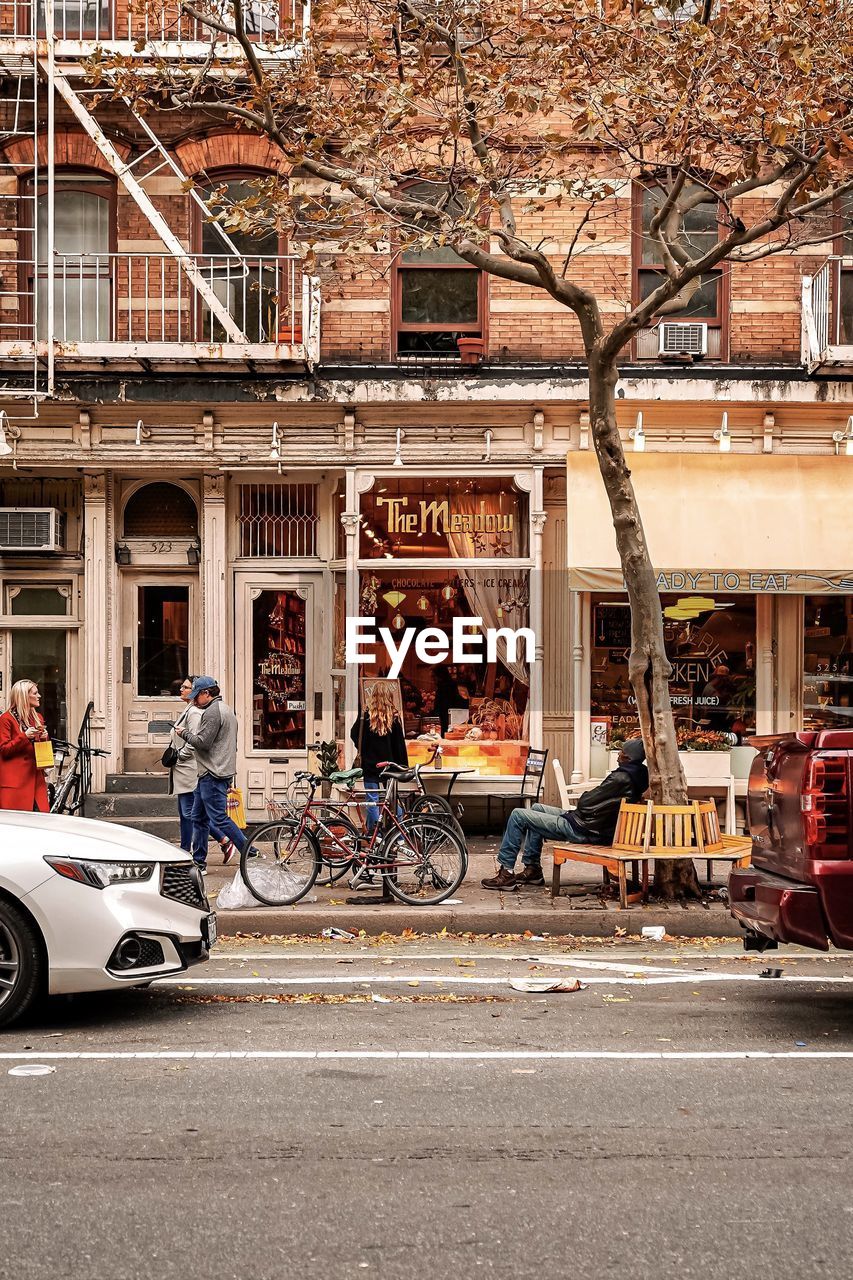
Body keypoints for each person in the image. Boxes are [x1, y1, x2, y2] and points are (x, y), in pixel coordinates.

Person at [482, 738, 649, 890]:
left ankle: (506, 872)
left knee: (518, 814)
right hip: (591, 824)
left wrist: (585, 797)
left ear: (628, 757)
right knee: (537, 808)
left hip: (584, 829)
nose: (618, 755)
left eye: (622, 752)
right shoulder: (636, 775)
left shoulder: (621, 778)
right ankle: (532, 869)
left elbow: (585, 803)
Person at [175, 676, 246, 871]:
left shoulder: (213, 712)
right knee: (198, 817)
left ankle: (250, 851)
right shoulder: (226, 709)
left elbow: (203, 743)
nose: (194, 700)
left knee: (219, 818)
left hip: (212, 773)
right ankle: (199, 861)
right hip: (213, 772)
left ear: (207, 693)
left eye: (197, 695)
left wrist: (184, 734)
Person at [350, 681, 408, 831]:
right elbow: (399, 744)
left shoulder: (366, 715)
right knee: (393, 802)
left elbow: (354, 734)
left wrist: (363, 750)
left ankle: (375, 837)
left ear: (373, 695)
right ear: (388, 695)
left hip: (370, 765)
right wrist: (402, 766)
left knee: (372, 802)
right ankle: (400, 835)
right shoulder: (393, 718)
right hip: (389, 766)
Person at [0, 679, 51, 813]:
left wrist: (44, 737)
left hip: (36, 781)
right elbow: (4, 750)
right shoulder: (6, 719)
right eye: (35, 693)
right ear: (24, 696)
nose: (39, 696)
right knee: (17, 825)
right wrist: (24, 736)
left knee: (41, 821)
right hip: (15, 783)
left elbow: (41, 749)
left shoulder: (38, 717)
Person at [168, 677, 204, 857]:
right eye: (181, 686)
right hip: (182, 770)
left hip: (189, 769)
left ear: (195, 690)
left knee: (191, 813)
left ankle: (224, 840)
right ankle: (184, 849)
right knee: (185, 813)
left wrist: (182, 754)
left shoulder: (194, 712)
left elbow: (195, 739)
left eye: (186, 687)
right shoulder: (188, 710)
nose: (181, 689)